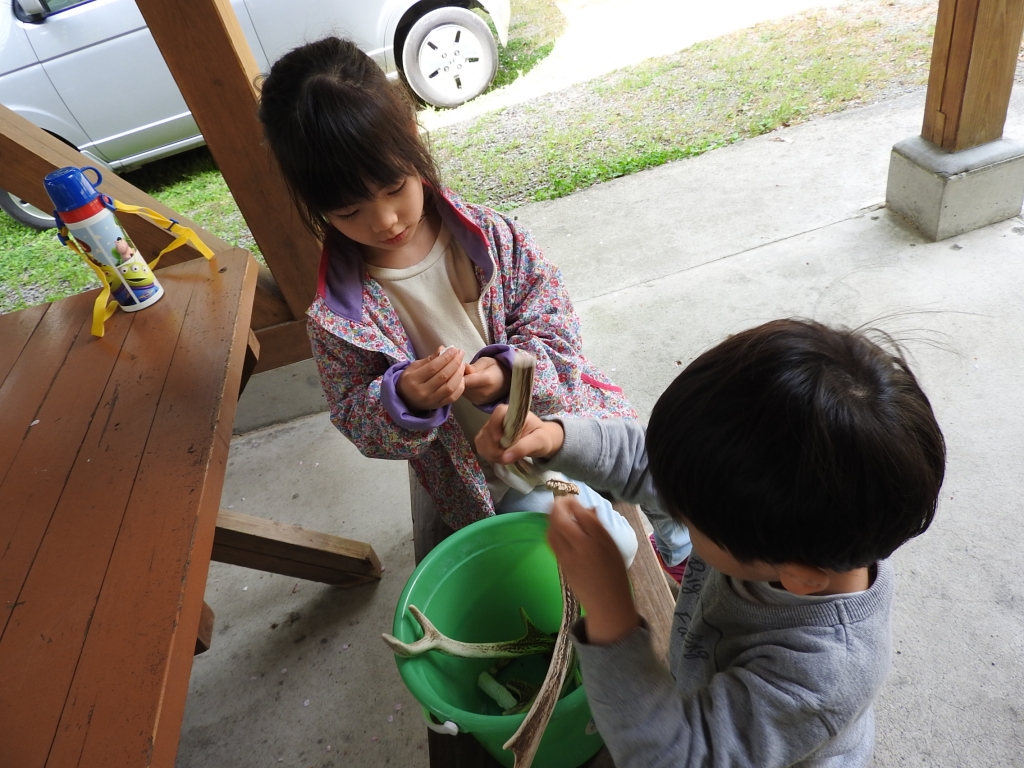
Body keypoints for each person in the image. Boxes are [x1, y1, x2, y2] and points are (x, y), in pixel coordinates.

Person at [256, 37, 690, 565]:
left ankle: (679, 549)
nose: (385, 221)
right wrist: (403, 400)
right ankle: (616, 527)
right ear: (315, 204)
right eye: (349, 212)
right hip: (496, 475)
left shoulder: (492, 238)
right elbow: (353, 416)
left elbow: (556, 325)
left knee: (669, 472)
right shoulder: (338, 318)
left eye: (394, 188)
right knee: (612, 548)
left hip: (565, 414)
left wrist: (511, 373)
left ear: (411, 136)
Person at [476, 319, 946, 767]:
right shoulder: (785, 524)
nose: (671, 505)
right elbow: (654, 464)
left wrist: (610, 614)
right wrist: (556, 438)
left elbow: (673, 757)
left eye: (686, 517)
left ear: (798, 577)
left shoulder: (821, 675)